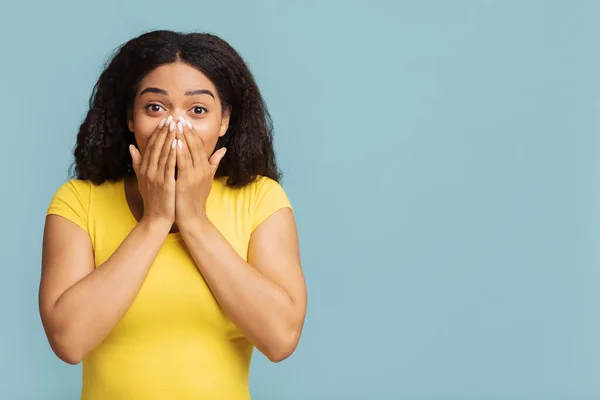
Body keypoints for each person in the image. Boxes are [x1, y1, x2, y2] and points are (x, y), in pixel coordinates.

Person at [38, 30, 307, 400]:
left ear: (224, 121)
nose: (175, 127)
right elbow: (69, 341)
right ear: (130, 118)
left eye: (198, 110)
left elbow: (280, 339)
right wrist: (155, 220)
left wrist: (194, 220)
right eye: (155, 108)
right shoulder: (78, 202)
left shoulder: (261, 200)